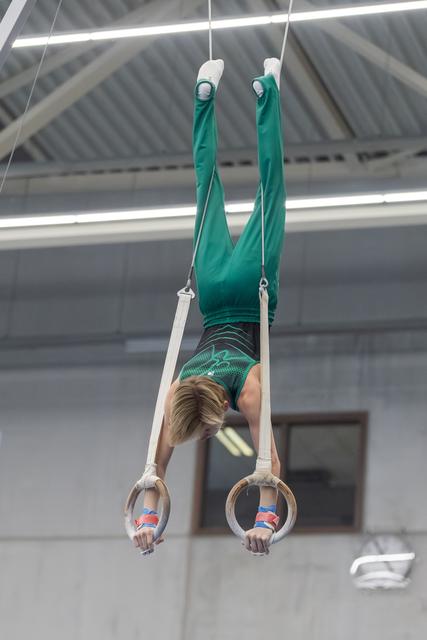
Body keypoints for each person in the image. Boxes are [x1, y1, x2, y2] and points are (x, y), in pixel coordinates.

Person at [134, 57, 286, 556]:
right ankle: (204, 95)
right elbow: (152, 469)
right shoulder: (178, 386)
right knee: (206, 193)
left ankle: (268, 92)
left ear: (220, 406)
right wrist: (145, 519)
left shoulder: (246, 390)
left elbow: (267, 464)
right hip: (213, 289)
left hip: (250, 291)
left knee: (271, 191)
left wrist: (265, 519)